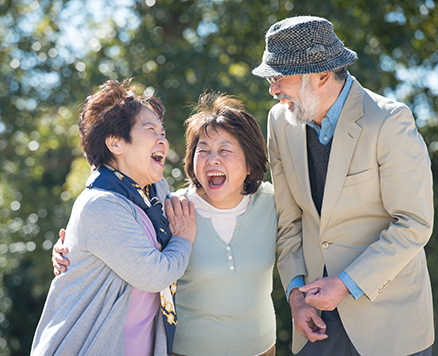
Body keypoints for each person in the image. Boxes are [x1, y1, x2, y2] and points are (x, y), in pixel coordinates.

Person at [252, 16, 434, 356]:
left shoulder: (390, 122)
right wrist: (295, 294)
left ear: (321, 75)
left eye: (278, 78)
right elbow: (288, 221)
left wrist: (345, 284)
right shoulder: (279, 121)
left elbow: (414, 224)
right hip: (314, 323)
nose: (273, 90)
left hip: (391, 327)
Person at [53, 92, 278, 356]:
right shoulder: (173, 209)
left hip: (262, 349)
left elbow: (307, 236)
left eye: (225, 150)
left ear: (250, 163)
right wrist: (69, 251)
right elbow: (112, 231)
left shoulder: (272, 202)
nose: (212, 159)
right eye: (202, 151)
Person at [32, 79, 196, 356]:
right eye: (150, 129)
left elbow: (196, 204)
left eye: (163, 132)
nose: (163, 139)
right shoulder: (100, 205)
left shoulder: (155, 193)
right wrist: (182, 239)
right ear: (115, 143)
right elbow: (154, 274)